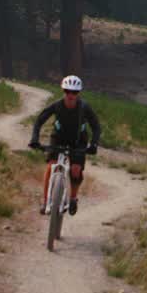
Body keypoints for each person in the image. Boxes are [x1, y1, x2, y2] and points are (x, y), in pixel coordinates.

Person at [28, 75, 100, 215]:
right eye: (67, 91)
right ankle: (45, 200)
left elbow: (96, 126)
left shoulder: (84, 107)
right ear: (63, 91)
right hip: (59, 138)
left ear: (78, 93)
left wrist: (94, 144)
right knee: (51, 165)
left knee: (75, 169)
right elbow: (39, 120)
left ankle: (73, 198)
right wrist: (34, 139)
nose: (70, 95)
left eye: (74, 92)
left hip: (79, 140)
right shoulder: (57, 105)